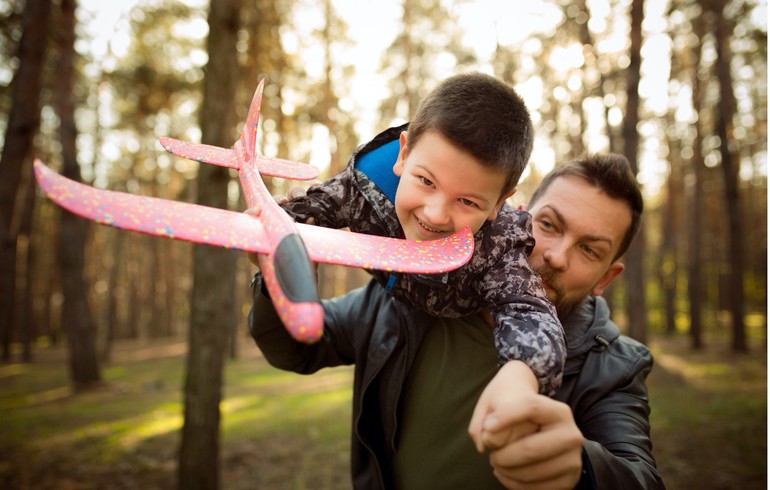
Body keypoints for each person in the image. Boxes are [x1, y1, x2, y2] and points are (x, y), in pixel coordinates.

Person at [247, 153, 665, 489]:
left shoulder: (615, 367)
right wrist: (276, 278)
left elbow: (641, 476)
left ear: (605, 278)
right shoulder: (413, 294)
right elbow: (297, 350)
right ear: (515, 217)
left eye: (589, 250)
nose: (557, 256)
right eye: (549, 225)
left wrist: (584, 469)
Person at [278, 72, 565, 402]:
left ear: (499, 202)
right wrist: (280, 220)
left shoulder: (500, 246)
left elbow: (529, 313)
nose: (435, 215)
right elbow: (299, 214)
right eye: (427, 182)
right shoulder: (361, 190)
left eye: (467, 201)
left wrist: (522, 376)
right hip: (390, 313)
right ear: (403, 155)